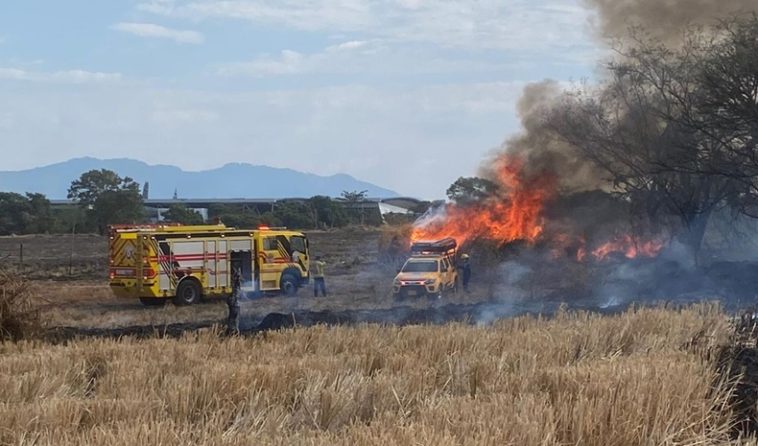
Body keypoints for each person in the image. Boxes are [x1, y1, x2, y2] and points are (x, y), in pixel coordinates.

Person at [226, 266, 241, 334]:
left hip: (233, 305)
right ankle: (235, 331)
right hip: (236, 305)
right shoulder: (236, 287)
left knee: (232, 319)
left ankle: (231, 330)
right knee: (235, 320)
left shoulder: (234, 286)